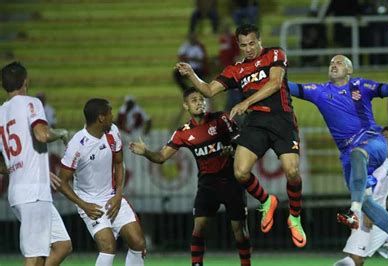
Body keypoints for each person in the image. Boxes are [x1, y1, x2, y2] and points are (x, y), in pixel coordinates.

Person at [176, 23, 306, 248]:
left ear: (259, 40)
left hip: (281, 118)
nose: (248, 49)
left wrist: (246, 101)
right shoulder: (235, 70)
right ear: (238, 45)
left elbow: (275, 83)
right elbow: (208, 90)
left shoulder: (275, 54)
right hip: (256, 123)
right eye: (244, 45)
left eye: (252, 43)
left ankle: (294, 217)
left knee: (292, 171)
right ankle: (267, 201)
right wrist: (192, 75)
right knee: (240, 172)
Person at [288, 55, 388, 258]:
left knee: (359, 154)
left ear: (349, 70)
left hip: (373, 140)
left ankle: (353, 213)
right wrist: (270, 73)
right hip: (347, 155)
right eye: (331, 62)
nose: (333, 64)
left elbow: (387, 90)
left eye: (339, 62)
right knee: (367, 201)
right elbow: (289, 87)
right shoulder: (320, 92)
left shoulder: (360, 85)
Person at [129, 88, 252, 266]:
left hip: (231, 180)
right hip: (207, 184)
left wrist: (232, 149)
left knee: (239, 230)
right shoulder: (183, 132)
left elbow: (241, 141)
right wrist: (146, 152)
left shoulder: (221, 118)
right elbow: (162, 157)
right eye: (194, 100)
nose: (199, 102)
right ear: (186, 106)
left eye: (201, 99)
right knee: (199, 228)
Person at [57, 98, 146, 266]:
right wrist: (84, 205)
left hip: (113, 196)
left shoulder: (113, 132)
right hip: (90, 203)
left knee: (138, 243)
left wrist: (119, 194)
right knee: (108, 246)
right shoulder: (77, 145)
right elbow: (62, 182)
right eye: (110, 113)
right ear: (101, 118)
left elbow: (119, 163)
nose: (113, 116)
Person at [0, 62, 71, 266]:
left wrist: (29, 169)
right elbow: (42, 134)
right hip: (33, 193)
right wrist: (61, 133)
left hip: (22, 190)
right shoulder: (31, 102)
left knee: (62, 245)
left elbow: (4, 162)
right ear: (25, 81)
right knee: (34, 256)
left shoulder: (1, 113)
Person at [334, 126, 388, 266]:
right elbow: (365, 185)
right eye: (387, 139)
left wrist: (387, 204)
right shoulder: (375, 162)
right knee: (355, 261)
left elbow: (377, 190)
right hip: (368, 220)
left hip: (382, 220)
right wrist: (369, 213)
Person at [217, 21, 244, 111]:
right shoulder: (222, 39)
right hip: (225, 68)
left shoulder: (233, 38)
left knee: (232, 87)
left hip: (232, 69)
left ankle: (233, 105)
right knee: (228, 88)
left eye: (226, 27)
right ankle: (230, 106)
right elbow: (222, 54)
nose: (225, 29)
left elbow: (237, 54)